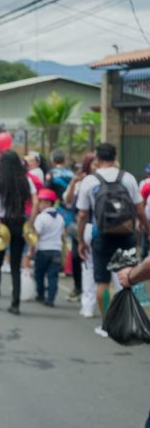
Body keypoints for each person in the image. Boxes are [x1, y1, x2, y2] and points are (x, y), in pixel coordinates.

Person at [76, 143, 149, 335]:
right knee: (129, 278)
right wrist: (148, 230)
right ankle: (129, 321)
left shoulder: (90, 181)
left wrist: (81, 240)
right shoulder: (128, 178)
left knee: (102, 282)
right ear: (115, 157)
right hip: (126, 236)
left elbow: (82, 215)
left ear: (97, 158)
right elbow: (140, 210)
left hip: (101, 236)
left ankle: (107, 325)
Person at [0, 150, 38, 315]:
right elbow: (35, 202)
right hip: (19, 222)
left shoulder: (0, 181)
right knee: (16, 265)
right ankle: (15, 303)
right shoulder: (25, 180)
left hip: (3, 222)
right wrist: (30, 222)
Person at [62, 155, 94, 306]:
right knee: (76, 257)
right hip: (80, 226)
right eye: (93, 164)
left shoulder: (104, 180)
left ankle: (92, 292)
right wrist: (74, 182)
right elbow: (67, 201)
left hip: (98, 225)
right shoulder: (80, 183)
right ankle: (79, 288)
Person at [27, 188, 65, 306]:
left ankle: (41, 295)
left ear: (48, 203)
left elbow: (35, 236)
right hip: (57, 251)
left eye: (41, 202)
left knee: (39, 274)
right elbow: (63, 235)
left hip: (43, 251)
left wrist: (31, 251)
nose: (39, 204)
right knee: (53, 276)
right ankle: (51, 299)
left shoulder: (41, 217)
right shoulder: (60, 218)